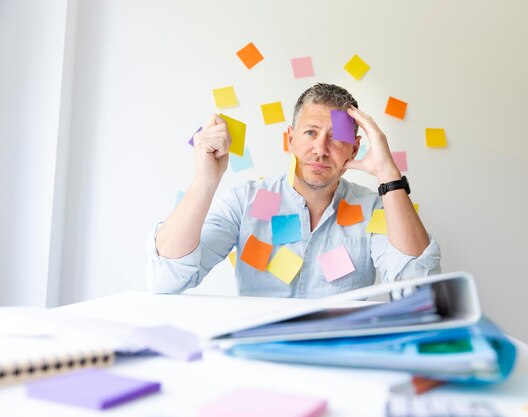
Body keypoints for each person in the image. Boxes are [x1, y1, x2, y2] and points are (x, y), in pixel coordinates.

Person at [146, 83, 440, 298]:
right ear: (290, 139)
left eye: (337, 138)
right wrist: (205, 180)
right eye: (310, 132)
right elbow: (166, 281)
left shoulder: (375, 208)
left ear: (354, 147)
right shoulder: (245, 201)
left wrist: (389, 175)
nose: (321, 150)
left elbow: (416, 291)